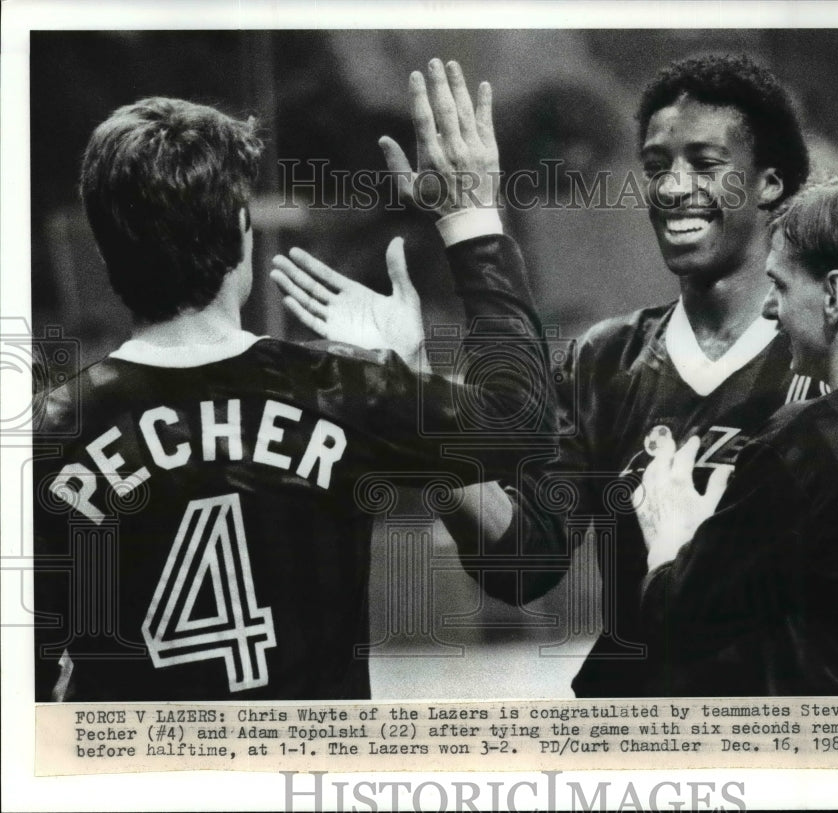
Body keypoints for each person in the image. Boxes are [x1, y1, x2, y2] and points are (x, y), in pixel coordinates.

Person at [294, 55, 824, 697]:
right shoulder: (606, 360)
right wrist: (416, 391)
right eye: (657, 167)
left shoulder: (826, 362)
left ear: (769, 184)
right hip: (637, 744)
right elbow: (522, 562)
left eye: (705, 165)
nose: (673, 188)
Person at [32, 93, 550, 701]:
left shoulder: (48, 434)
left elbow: (25, 700)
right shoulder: (341, 391)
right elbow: (521, 420)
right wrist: (472, 218)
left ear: (102, 247)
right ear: (240, 231)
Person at [635, 176, 838, 696]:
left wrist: (671, 538)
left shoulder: (805, 442)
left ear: (835, 295)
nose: (770, 310)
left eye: (781, 286)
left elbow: (680, 631)